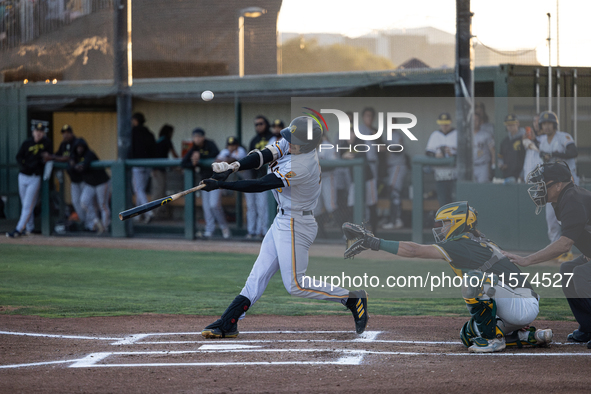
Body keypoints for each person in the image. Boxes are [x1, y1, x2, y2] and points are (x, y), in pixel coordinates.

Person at [199, 116, 369, 338]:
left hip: (297, 223)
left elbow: (261, 185)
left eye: (295, 139)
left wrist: (222, 184)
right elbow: (263, 155)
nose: (289, 141)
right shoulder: (293, 144)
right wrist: (234, 166)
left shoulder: (304, 165)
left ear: (306, 144)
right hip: (283, 220)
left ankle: (352, 298)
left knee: (295, 285)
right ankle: (228, 322)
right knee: (257, 275)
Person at [344, 201, 553, 353]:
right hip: (518, 302)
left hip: (519, 302)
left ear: (457, 222)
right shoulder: (475, 241)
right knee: (468, 335)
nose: (441, 228)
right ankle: (529, 336)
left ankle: (493, 340)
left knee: (472, 281)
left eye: (445, 223)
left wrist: (374, 243)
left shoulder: (463, 243)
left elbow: (414, 250)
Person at [503, 162, 591, 348]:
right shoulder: (564, 198)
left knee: (582, 274)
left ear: (558, 185)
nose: (538, 188)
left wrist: (527, 260)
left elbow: (564, 244)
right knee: (567, 269)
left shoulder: (572, 200)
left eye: (543, 183)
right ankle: (588, 327)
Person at [537, 111, 579, 263]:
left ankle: (568, 251)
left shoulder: (563, 136)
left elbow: (573, 151)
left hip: (568, 182)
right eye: (544, 124)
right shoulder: (542, 141)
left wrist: (555, 154)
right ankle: (555, 250)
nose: (547, 126)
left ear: (554, 124)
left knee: (568, 217)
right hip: (552, 185)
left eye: (549, 123)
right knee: (551, 218)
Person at [181, 128, 230, 239]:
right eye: (195, 137)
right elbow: (183, 163)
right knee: (207, 207)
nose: (197, 139)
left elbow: (216, 158)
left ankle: (224, 228)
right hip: (204, 181)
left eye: (199, 136)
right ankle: (209, 230)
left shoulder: (210, 144)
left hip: (216, 179)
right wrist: (194, 162)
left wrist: (200, 157)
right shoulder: (194, 148)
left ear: (203, 137)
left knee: (214, 205)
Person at [6, 123, 53, 238]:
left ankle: (18, 229)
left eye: (41, 132)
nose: (38, 133)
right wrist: (24, 166)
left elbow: (49, 157)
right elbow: (19, 157)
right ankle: (30, 227)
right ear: (33, 132)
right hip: (23, 176)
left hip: (34, 177)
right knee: (25, 204)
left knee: (28, 205)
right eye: (37, 131)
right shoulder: (27, 143)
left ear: (44, 133)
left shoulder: (46, 144)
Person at [50, 124, 88, 227]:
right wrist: (52, 157)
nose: (65, 135)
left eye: (67, 133)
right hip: (74, 179)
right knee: (75, 202)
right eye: (63, 133)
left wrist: (54, 157)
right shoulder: (63, 144)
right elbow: (57, 155)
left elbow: (69, 158)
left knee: (85, 202)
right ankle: (84, 223)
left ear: (71, 133)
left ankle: (89, 223)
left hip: (84, 178)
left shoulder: (77, 142)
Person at [70, 140, 111, 233]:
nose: (79, 149)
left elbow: (84, 166)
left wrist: (75, 166)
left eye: (81, 147)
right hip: (90, 183)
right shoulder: (74, 156)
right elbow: (70, 163)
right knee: (84, 202)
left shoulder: (90, 154)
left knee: (103, 205)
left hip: (101, 181)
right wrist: (73, 165)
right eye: (78, 147)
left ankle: (105, 227)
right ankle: (97, 222)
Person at [216, 137, 249, 236]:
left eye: (233, 145)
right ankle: (252, 231)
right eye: (229, 145)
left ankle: (256, 231)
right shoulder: (225, 151)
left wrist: (226, 160)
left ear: (237, 145)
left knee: (253, 206)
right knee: (251, 206)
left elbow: (234, 159)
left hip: (250, 177)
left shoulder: (241, 150)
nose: (231, 147)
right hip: (241, 179)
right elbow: (217, 161)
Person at [248, 115, 273, 238]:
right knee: (254, 207)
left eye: (261, 124)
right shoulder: (254, 140)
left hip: (268, 177)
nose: (258, 126)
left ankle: (263, 231)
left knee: (264, 207)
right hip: (256, 177)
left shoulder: (272, 138)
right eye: (256, 124)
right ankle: (255, 231)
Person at [130, 112, 157, 224]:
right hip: (148, 164)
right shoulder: (149, 132)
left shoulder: (133, 132)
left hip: (137, 164)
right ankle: (138, 215)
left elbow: (130, 149)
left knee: (139, 190)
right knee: (140, 190)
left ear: (136, 121)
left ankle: (149, 212)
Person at [425, 113, 457, 206]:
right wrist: (436, 155)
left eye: (446, 124)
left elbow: (464, 154)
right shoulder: (435, 135)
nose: (444, 126)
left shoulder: (457, 134)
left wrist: (452, 154)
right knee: (443, 203)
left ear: (450, 123)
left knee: (455, 202)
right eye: (442, 124)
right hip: (440, 174)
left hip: (454, 175)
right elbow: (428, 152)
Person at [382, 118, 408, 229]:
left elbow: (400, 149)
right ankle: (394, 219)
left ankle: (396, 220)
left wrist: (386, 147)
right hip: (392, 167)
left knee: (394, 191)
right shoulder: (386, 135)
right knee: (392, 192)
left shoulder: (396, 135)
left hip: (398, 166)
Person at [152, 124, 178, 219]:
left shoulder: (159, 140)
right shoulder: (166, 140)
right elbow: (175, 155)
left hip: (157, 168)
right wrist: (180, 164)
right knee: (159, 191)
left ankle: (161, 213)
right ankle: (154, 213)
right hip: (158, 169)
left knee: (160, 191)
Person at [498, 114, 525, 183]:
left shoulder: (524, 138)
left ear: (518, 124)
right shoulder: (504, 141)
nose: (510, 127)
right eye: (508, 125)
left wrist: (522, 174)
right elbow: (500, 156)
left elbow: (528, 158)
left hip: (521, 176)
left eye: (512, 124)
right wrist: (501, 165)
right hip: (507, 175)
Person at [472, 112, 495, 183]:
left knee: (483, 188)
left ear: (480, 121)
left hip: (483, 165)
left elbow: (493, 151)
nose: (474, 122)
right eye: (472, 120)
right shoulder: (466, 135)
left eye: (476, 120)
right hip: (471, 166)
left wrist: (493, 165)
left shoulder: (486, 134)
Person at [521, 114, 543, 181]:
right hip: (528, 175)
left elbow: (544, 151)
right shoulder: (530, 137)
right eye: (534, 121)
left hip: (540, 176)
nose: (536, 123)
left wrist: (534, 140)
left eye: (538, 121)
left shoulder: (547, 137)